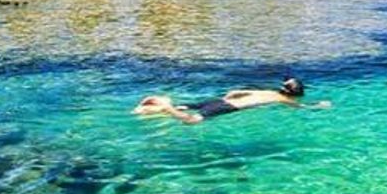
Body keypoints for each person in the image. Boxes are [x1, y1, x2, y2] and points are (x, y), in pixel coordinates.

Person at [132, 78, 331, 124]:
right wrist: (319, 106)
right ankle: (165, 107)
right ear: (294, 94)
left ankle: (149, 108)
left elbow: (235, 91)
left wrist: (225, 98)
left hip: (220, 100)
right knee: (193, 121)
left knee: (186, 106)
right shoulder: (281, 99)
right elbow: (302, 108)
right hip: (229, 107)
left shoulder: (268, 91)